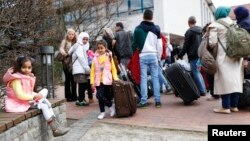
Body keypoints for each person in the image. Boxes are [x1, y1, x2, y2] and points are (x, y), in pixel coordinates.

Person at [3, 56, 69, 137]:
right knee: (45, 105)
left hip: (27, 100)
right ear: (18, 67)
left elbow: (28, 91)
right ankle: (55, 129)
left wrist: (36, 94)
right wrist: (34, 97)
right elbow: (20, 95)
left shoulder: (25, 77)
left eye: (29, 67)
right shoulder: (16, 79)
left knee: (45, 91)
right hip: (18, 103)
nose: (27, 69)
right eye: (24, 67)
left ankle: (56, 127)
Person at [208, 6, 244, 114]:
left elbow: (212, 43)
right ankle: (234, 106)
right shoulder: (234, 23)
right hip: (237, 56)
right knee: (235, 81)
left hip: (224, 56)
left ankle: (225, 107)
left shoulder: (215, 25)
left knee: (224, 81)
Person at [132, 9, 162, 108]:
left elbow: (134, 44)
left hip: (143, 56)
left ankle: (144, 101)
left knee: (143, 79)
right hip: (154, 55)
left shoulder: (137, 29)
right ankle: (158, 101)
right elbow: (160, 45)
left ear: (143, 16)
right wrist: (159, 57)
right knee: (155, 78)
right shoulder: (157, 29)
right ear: (152, 17)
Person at [178, 16, 207, 96]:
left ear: (188, 22)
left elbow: (186, 45)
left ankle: (202, 91)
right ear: (195, 21)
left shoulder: (189, 32)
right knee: (198, 72)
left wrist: (180, 54)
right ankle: (203, 88)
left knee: (195, 72)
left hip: (193, 55)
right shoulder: (201, 31)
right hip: (200, 54)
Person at [90, 40, 119, 120]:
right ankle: (108, 107)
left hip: (107, 79)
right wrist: (92, 82)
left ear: (105, 48)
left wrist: (115, 78)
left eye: (101, 48)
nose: (100, 50)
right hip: (98, 80)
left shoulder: (109, 56)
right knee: (99, 96)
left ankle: (106, 110)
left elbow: (113, 68)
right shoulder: (95, 58)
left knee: (105, 96)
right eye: (98, 48)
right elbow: (92, 71)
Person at [69, 32, 91, 106]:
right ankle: (80, 100)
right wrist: (87, 69)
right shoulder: (79, 47)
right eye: (84, 39)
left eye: (86, 39)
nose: (85, 41)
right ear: (80, 38)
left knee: (82, 85)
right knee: (83, 84)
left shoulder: (79, 46)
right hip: (79, 69)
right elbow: (82, 59)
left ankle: (80, 99)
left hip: (79, 69)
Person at [59, 28, 77, 102]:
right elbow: (61, 49)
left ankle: (74, 95)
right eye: (70, 34)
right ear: (67, 34)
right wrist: (64, 53)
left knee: (74, 79)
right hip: (66, 62)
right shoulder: (64, 41)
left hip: (74, 63)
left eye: (72, 34)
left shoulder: (75, 42)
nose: (71, 35)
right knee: (68, 79)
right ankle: (68, 96)